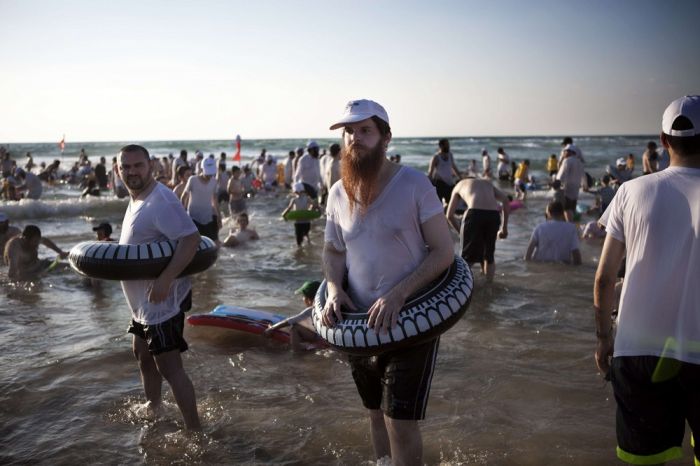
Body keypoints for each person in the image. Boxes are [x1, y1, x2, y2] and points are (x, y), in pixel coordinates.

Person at [322, 99, 453, 465]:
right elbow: (333, 252)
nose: (355, 139)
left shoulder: (414, 184)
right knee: (375, 414)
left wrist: (398, 295)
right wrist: (334, 289)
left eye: (365, 130)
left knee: (400, 422)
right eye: (349, 132)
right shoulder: (337, 193)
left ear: (386, 137)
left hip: (411, 320)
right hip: (359, 323)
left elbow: (443, 251)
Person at [594, 95, 700, 465]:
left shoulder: (631, 191)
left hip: (637, 348)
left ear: (664, 140)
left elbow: (605, 279)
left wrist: (604, 338)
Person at [116, 144, 201, 430]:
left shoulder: (160, 200)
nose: (132, 171)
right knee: (141, 353)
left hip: (160, 302)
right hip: (142, 304)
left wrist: (165, 280)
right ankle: (154, 406)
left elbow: (191, 238)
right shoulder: (137, 198)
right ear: (118, 170)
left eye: (137, 165)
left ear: (150, 166)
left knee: (169, 367)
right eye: (125, 167)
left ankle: (194, 430)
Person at [446, 177, 509, 281]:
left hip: (474, 214)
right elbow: (505, 201)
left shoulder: (459, 184)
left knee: (466, 258)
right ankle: (489, 286)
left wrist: (460, 232)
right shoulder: (487, 183)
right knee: (489, 257)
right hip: (493, 215)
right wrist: (504, 228)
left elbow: (449, 215)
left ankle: (463, 285)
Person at [263, 280, 325, 351]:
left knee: (294, 327)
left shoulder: (310, 310)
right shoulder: (324, 308)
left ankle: (297, 349)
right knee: (299, 325)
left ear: (308, 299)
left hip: (317, 338)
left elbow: (291, 320)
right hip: (321, 336)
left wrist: (272, 328)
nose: (302, 299)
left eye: (303, 296)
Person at [4, 225, 69, 281]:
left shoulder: (35, 239)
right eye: (35, 241)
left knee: (67, 266)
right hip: (26, 274)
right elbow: (12, 272)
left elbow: (46, 241)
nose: (37, 244)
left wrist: (60, 252)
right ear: (25, 239)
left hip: (39, 265)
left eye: (38, 241)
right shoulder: (15, 247)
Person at [181, 157, 222, 243]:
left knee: (213, 242)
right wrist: (183, 214)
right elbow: (184, 196)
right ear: (202, 169)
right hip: (193, 217)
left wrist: (219, 217)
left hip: (208, 216)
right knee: (195, 243)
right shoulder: (193, 180)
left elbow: (214, 200)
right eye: (208, 174)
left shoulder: (214, 181)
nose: (209, 176)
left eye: (211, 174)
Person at [282, 182, 319, 247]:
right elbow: (314, 205)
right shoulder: (307, 198)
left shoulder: (294, 199)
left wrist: (284, 215)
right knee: (306, 233)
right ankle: (309, 243)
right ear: (303, 190)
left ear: (295, 191)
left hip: (298, 222)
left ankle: (299, 249)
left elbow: (289, 208)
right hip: (307, 222)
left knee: (298, 239)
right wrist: (315, 211)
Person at [428, 139, 461, 207]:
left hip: (449, 183)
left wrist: (460, 177)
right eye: (446, 145)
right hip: (439, 183)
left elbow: (453, 167)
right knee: (438, 204)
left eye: (448, 145)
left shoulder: (450, 155)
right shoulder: (436, 157)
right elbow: (430, 172)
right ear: (441, 146)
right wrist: (429, 184)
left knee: (451, 203)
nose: (448, 146)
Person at [556, 144, 585, 222]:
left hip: (567, 188)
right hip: (576, 189)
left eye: (564, 151)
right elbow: (583, 176)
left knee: (566, 208)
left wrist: (557, 182)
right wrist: (585, 186)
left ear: (569, 152)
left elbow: (561, 174)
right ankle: (572, 226)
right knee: (572, 208)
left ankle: (569, 226)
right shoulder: (579, 162)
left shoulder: (567, 160)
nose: (563, 153)